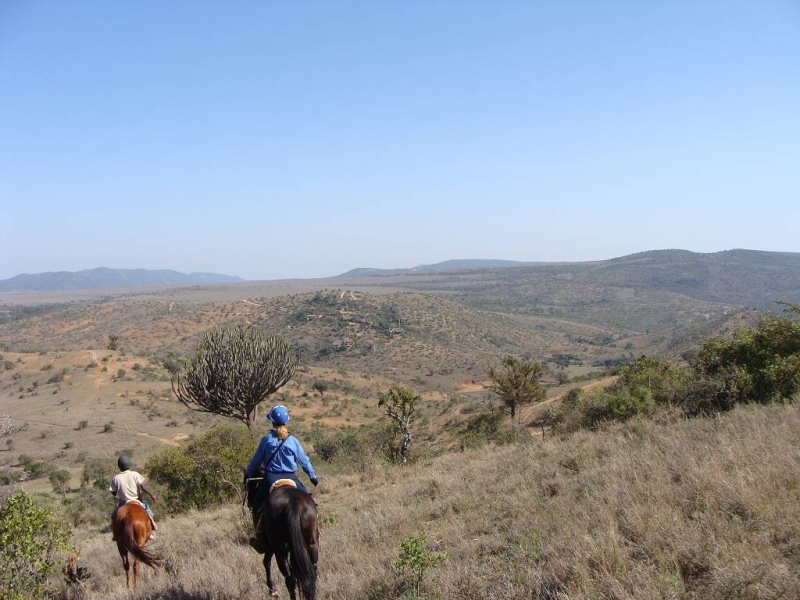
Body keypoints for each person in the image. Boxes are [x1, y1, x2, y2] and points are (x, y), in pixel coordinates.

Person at [245, 404, 318, 553]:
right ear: (286, 422)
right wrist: (312, 476)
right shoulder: (293, 440)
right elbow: (304, 460)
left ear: (272, 422)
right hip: (291, 477)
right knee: (309, 502)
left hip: (271, 478)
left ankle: (259, 535)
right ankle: (315, 528)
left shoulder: (266, 440)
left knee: (258, 503)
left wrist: (248, 472)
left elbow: (256, 460)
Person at [110, 456, 158, 539]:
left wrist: (115, 493)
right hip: (136, 500)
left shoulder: (116, 478)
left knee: (113, 516)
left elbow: (113, 492)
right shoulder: (135, 474)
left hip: (123, 503)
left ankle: (116, 535)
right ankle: (152, 531)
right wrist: (151, 495)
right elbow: (143, 487)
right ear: (129, 464)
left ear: (119, 466)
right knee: (149, 513)